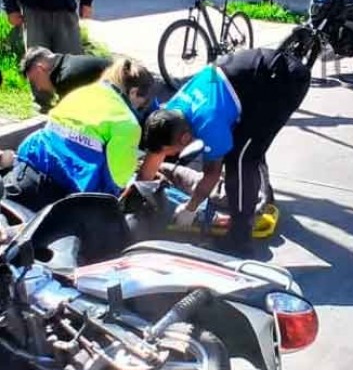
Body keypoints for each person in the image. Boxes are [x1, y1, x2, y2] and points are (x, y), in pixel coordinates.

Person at [139, 47, 311, 255]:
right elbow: (157, 150)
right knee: (243, 143)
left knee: (240, 160)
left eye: (170, 150)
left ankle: (240, 240)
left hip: (281, 82)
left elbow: (212, 173)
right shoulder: (172, 109)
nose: (167, 155)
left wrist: (191, 207)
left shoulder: (209, 122)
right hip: (246, 76)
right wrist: (140, 190)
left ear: (185, 138)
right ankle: (259, 193)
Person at [3, 58, 155, 211]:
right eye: (141, 104)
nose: (138, 109)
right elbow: (117, 183)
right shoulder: (128, 123)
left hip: (26, 169)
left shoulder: (82, 92)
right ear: (134, 92)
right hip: (60, 195)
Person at [20, 46, 113, 113]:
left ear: (40, 69)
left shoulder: (65, 79)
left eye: (35, 81)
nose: (39, 87)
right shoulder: (67, 63)